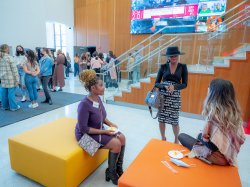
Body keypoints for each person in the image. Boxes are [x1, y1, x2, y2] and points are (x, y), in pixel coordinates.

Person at [178, 78, 246, 166]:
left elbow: (213, 146)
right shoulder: (236, 115)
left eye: (209, 87)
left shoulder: (213, 116)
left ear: (213, 94)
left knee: (182, 136)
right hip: (229, 156)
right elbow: (238, 138)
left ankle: (203, 157)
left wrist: (201, 136)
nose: (207, 89)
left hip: (217, 158)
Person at [75, 70, 126, 185]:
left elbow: (102, 117)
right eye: (101, 85)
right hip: (84, 137)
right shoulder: (84, 104)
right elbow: (83, 129)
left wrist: (111, 124)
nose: (104, 87)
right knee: (116, 144)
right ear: (93, 88)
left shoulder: (97, 98)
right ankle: (110, 172)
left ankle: (118, 168)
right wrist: (105, 131)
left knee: (122, 137)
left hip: (97, 130)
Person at [155, 46, 188, 143]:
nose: (173, 57)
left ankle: (176, 140)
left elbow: (185, 84)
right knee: (161, 119)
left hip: (175, 98)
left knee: (174, 120)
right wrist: (164, 87)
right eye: (171, 56)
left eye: (175, 56)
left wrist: (175, 87)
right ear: (168, 57)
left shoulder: (182, 67)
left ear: (178, 56)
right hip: (163, 97)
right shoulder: (163, 67)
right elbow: (156, 83)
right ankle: (163, 138)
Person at [0, 44, 20, 111]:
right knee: (11, 94)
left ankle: (5, 106)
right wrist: (17, 79)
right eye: (8, 48)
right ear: (6, 49)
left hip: (2, 78)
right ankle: (14, 107)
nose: (8, 49)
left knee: (3, 93)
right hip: (10, 78)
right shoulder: (9, 57)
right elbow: (14, 70)